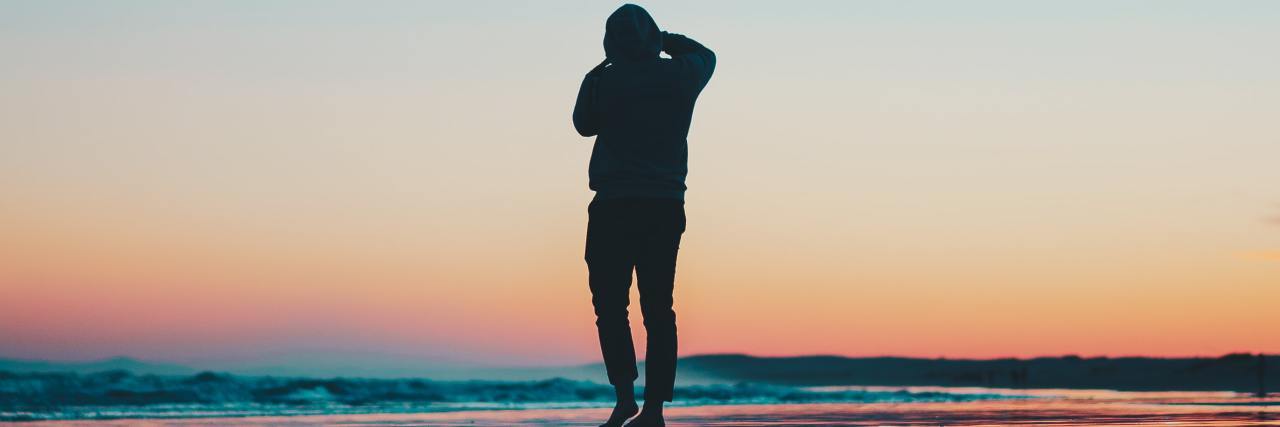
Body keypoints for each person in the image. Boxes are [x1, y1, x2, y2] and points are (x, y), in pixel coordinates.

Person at [572, 4, 715, 427]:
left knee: (611, 307)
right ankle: (653, 410)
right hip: (663, 205)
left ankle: (624, 400)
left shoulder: (603, 80)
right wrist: (664, 40)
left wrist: (602, 68)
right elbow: (705, 54)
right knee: (658, 308)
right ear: (652, 39)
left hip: (613, 204)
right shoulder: (680, 76)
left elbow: (583, 125)